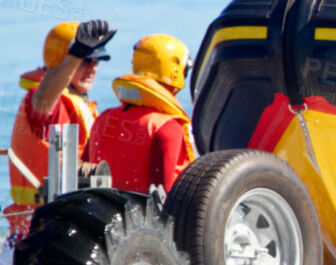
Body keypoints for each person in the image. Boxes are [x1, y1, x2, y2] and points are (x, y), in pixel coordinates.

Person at [6, 19, 114, 242]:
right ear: (65, 59)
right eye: (86, 61)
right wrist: (76, 54)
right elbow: (43, 100)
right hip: (38, 229)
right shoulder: (45, 99)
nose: (93, 68)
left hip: (65, 221)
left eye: (96, 62)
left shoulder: (79, 102)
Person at [88, 35, 197, 194]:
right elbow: (161, 197)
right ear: (176, 73)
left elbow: (83, 174)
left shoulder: (104, 118)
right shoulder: (167, 127)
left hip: (97, 212)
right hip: (138, 217)